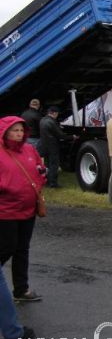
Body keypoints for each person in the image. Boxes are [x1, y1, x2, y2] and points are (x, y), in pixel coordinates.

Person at [0, 116, 46, 305]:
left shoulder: (29, 149)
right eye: (14, 131)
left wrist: (42, 176)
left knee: (22, 250)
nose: (19, 134)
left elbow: (39, 169)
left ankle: (21, 289)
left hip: (28, 209)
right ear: (5, 132)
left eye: (21, 130)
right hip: (6, 211)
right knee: (6, 248)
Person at [37, 105, 75, 188]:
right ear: (54, 113)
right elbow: (60, 135)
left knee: (47, 165)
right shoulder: (52, 122)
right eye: (57, 114)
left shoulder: (42, 120)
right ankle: (53, 183)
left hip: (43, 145)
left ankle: (46, 181)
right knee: (54, 165)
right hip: (52, 146)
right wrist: (72, 137)